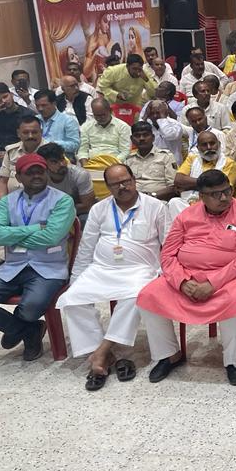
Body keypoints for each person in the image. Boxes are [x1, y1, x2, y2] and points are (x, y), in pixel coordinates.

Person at [137, 170, 236, 386]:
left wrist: (213, 284)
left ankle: (233, 362)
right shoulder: (187, 215)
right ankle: (169, 355)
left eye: (227, 191)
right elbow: (167, 254)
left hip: (231, 277)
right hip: (188, 277)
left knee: (235, 299)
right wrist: (182, 282)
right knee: (149, 295)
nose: (224, 197)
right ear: (201, 196)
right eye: (215, 194)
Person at [56, 164, 169, 390]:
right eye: (116, 184)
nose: (122, 187)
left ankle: (102, 352)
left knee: (137, 295)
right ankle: (107, 355)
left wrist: (165, 276)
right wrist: (76, 279)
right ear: (108, 187)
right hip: (102, 269)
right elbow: (86, 247)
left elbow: (168, 244)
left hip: (140, 270)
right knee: (72, 299)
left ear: (134, 180)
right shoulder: (99, 209)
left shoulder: (155, 206)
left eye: (126, 181)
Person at [0, 154, 76, 361]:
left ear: (46, 172)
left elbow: (51, 237)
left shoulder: (62, 201)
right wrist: (35, 228)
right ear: (18, 177)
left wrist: (13, 235)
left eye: (40, 171)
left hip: (48, 268)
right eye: (30, 172)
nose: (36, 176)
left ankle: (22, 326)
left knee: (31, 308)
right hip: (12, 266)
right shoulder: (7, 202)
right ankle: (28, 330)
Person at [173, 130, 236, 206]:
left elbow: (219, 189)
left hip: (216, 204)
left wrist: (188, 186)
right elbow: (178, 180)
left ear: (219, 144)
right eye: (204, 145)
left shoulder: (229, 163)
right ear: (198, 148)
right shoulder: (192, 159)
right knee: (174, 202)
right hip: (189, 201)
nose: (209, 147)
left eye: (212, 143)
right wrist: (208, 184)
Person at [37, 143, 96, 221]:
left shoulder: (80, 174)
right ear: (44, 165)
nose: (62, 164)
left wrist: (60, 212)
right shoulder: (39, 177)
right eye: (54, 162)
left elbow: (87, 205)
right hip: (50, 212)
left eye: (62, 159)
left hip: (77, 211)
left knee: (85, 219)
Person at [123, 121, 178, 200]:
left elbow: (173, 187)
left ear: (153, 137)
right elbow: (125, 184)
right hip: (133, 200)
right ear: (132, 139)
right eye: (137, 136)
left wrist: (150, 196)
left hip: (158, 200)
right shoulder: (128, 159)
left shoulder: (166, 156)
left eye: (145, 135)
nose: (141, 138)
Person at [0, 115, 44, 196]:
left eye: (34, 132)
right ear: (18, 133)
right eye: (25, 133)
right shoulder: (11, 151)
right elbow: (2, 181)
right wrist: (3, 202)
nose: (30, 136)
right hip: (11, 200)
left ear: (41, 132)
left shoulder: (51, 151)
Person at [77, 98, 132, 165]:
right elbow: (82, 151)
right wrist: (85, 166)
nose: (99, 118)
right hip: (92, 164)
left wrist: (112, 165)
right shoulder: (86, 127)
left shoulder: (123, 127)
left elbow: (125, 151)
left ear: (110, 111)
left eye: (103, 115)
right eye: (96, 115)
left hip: (115, 164)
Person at [35, 89, 80, 157]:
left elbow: (74, 145)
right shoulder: (35, 120)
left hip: (60, 157)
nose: (40, 109)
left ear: (54, 103)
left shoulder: (68, 120)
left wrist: (52, 144)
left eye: (44, 105)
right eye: (37, 106)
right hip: (37, 157)